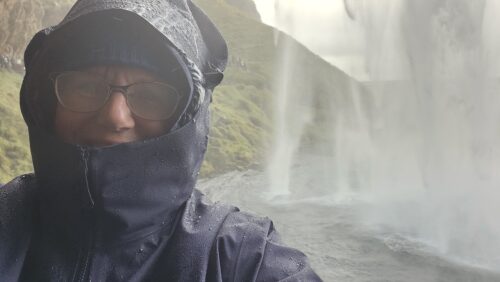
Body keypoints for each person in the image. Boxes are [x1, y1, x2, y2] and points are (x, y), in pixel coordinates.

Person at [0, 0, 322, 281]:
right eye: (84, 88)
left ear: (186, 121)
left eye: (151, 96)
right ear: (46, 104)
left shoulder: (241, 260)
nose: (115, 116)